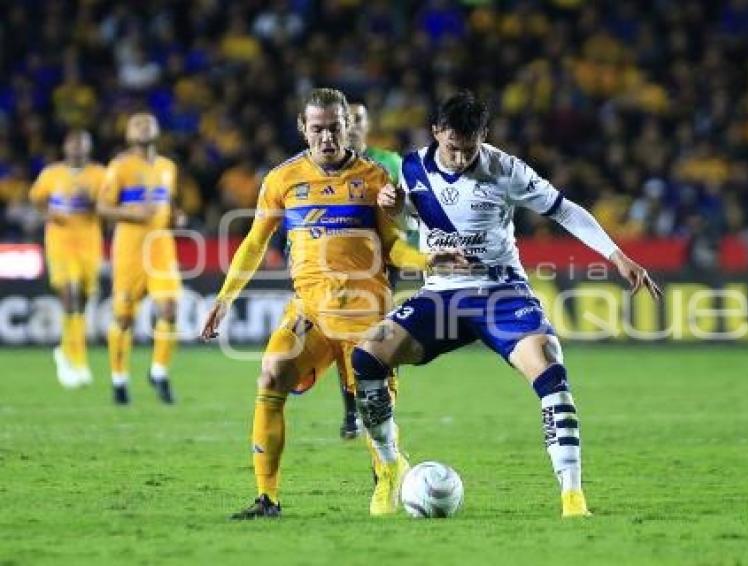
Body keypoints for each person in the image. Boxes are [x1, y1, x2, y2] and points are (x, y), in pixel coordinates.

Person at [351, 91, 662, 518]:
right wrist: (397, 208)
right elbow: (404, 223)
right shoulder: (409, 167)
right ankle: (389, 467)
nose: (460, 158)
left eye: (469, 148)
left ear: (483, 135)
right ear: (437, 132)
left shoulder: (506, 169)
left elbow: (565, 211)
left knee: (550, 367)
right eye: (452, 147)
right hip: (441, 295)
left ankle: (573, 497)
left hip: (502, 294)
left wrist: (617, 255)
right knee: (368, 354)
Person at [200, 88, 462, 520]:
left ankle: (387, 474)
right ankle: (268, 498)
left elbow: (394, 248)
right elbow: (253, 243)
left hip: (366, 315)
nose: (327, 137)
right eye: (317, 128)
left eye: (334, 128)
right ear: (303, 129)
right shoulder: (282, 180)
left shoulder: (375, 179)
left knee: (372, 410)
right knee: (270, 376)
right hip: (310, 313)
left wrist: (426, 260)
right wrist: (226, 298)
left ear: (348, 128)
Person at [97, 113, 183, 405]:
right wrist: (131, 213)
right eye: (137, 124)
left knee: (169, 309)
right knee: (123, 317)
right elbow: (103, 208)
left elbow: (168, 204)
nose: (144, 127)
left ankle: (159, 372)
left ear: (157, 130)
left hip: (161, 246)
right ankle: (119, 379)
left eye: (148, 123)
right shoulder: (120, 166)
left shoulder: (167, 167)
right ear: (128, 133)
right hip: (130, 249)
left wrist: (176, 217)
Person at [333, 102, 406, 439]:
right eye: (349, 120)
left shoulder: (389, 162)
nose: (354, 126)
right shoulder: (332, 166)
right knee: (344, 341)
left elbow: (410, 206)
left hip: (385, 261)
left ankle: (379, 407)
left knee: (378, 338)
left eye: (360, 119)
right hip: (346, 264)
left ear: (367, 124)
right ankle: (352, 412)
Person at [30, 130, 105, 388]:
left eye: (82, 144)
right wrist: (47, 213)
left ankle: (66, 351)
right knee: (70, 295)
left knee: (82, 302)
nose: (77, 149)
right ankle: (79, 361)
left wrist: (93, 203)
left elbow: (108, 207)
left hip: (89, 245)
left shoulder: (100, 175)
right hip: (60, 244)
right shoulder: (51, 174)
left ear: (89, 148)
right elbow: (37, 200)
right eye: (73, 143)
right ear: (65, 147)